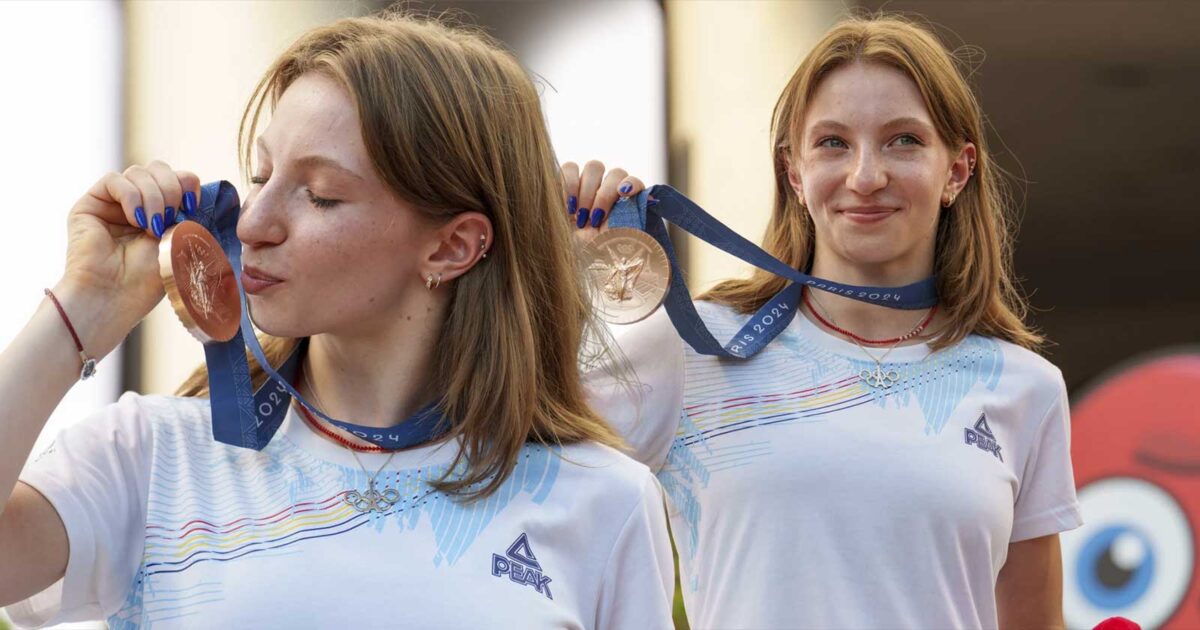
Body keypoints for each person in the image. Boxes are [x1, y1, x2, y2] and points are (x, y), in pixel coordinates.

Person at [0, 11, 673, 629]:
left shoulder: (603, 502)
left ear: (452, 246)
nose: (255, 223)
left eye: (320, 196)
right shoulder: (157, 456)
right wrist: (83, 307)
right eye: (261, 175)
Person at [568, 13, 1082, 630]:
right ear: (795, 171)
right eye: (833, 142)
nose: (866, 176)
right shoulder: (689, 349)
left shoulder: (1025, 387)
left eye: (904, 140)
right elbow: (504, 467)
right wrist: (559, 263)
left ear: (957, 170)